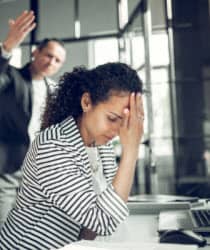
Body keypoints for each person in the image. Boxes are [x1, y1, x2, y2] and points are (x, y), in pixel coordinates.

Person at [0, 62, 144, 249]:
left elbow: (101, 213)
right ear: (86, 102)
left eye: (126, 122)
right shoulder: (52, 146)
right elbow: (103, 220)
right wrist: (131, 150)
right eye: (112, 118)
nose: (118, 131)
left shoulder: (103, 146)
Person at [0, 10, 66, 229]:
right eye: (48, 55)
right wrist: (7, 47)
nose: (52, 62)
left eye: (58, 60)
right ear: (35, 53)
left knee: (28, 231)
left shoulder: (54, 91)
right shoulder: (12, 77)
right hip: (8, 168)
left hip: (38, 173)